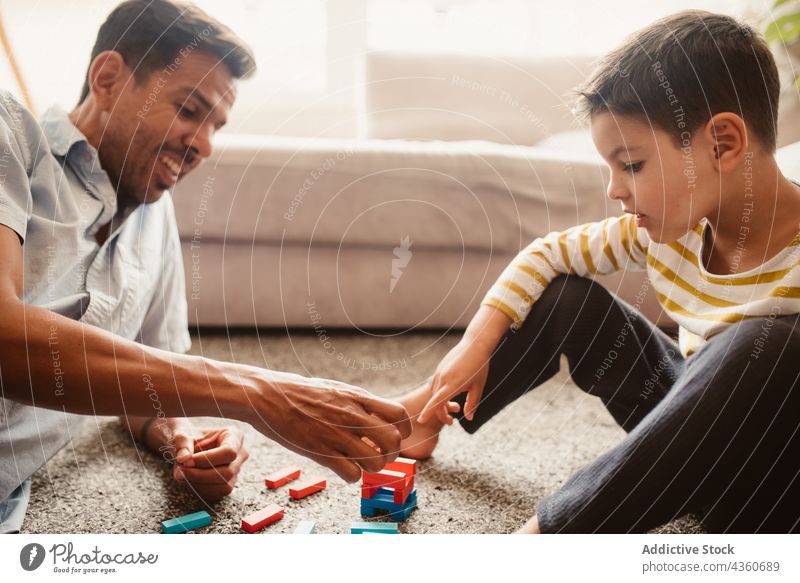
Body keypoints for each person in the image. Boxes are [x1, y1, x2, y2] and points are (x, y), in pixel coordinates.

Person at [0, 0, 409, 533]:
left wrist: (182, 439)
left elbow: (146, 393)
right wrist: (254, 390)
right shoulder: (11, 135)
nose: (205, 146)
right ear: (107, 79)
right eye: (189, 110)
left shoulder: (155, 216)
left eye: (216, 124)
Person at [398, 10, 800, 533]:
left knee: (766, 346)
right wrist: (474, 345)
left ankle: (554, 534)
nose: (615, 190)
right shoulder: (672, 229)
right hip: (686, 446)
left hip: (770, 489)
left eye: (631, 166)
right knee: (565, 297)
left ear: (723, 144)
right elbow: (547, 254)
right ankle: (420, 416)